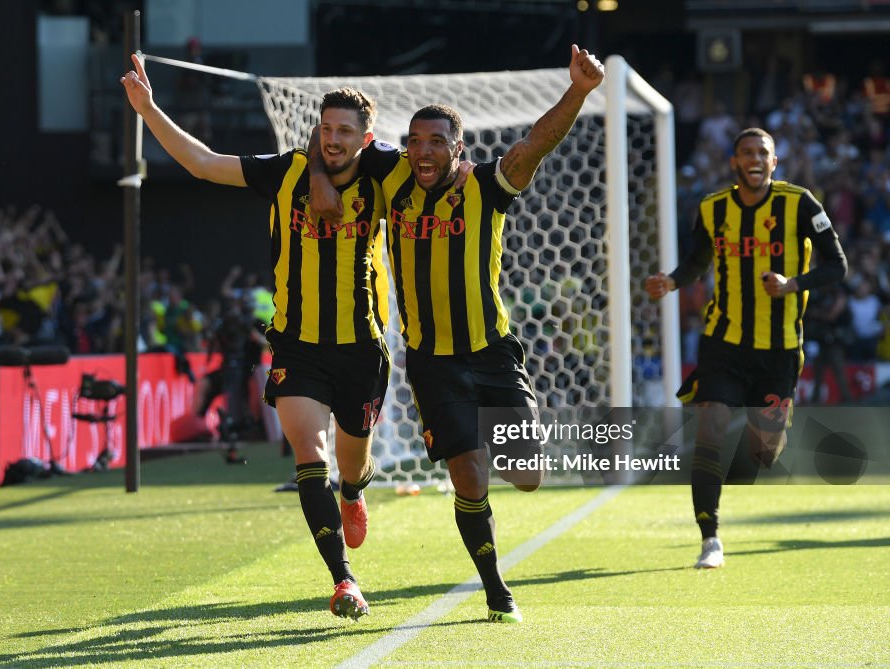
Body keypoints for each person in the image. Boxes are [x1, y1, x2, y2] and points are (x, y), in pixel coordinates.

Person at [310, 43, 605, 623]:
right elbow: (331, 145)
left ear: (458, 148)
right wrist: (320, 175)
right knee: (467, 475)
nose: (423, 151)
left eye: (436, 142)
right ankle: (497, 591)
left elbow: (534, 144)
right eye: (416, 140)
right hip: (431, 363)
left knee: (525, 475)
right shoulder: (390, 174)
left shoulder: (487, 186)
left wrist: (580, 90)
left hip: (493, 353)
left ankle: (495, 436)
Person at [122, 54, 390, 620]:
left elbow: (435, 169)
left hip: (361, 347)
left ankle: (353, 491)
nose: (334, 139)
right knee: (307, 455)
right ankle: (343, 581)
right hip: (297, 344)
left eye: (346, 131)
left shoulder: (385, 173)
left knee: (351, 461)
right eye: (327, 128)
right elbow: (202, 163)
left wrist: (463, 170)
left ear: (366, 138)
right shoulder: (285, 171)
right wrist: (149, 110)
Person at [645, 127, 848, 569]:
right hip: (724, 341)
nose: (755, 159)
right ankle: (710, 539)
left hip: (779, 349)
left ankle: (773, 427)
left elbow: (838, 266)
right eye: (746, 153)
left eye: (763, 153)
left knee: (764, 452)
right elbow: (698, 260)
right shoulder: (713, 208)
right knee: (710, 429)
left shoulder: (800, 204)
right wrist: (673, 281)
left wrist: (793, 284)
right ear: (734, 162)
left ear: (774, 162)